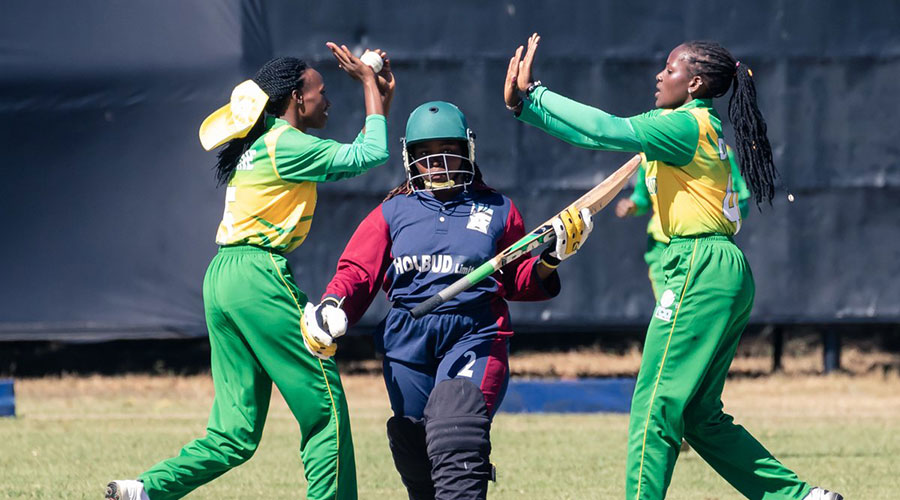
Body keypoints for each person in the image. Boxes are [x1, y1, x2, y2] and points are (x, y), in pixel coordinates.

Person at [504, 33, 843, 500]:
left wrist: (537, 92)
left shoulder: (683, 126)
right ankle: (800, 498)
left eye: (671, 68)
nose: (660, 74)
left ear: (696, 82)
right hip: (724, 268)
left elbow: (607, 129)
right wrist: (526, 109)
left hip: (698, 263)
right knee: (699, 417)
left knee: (655, 405)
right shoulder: (690, 122)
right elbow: (598, 135)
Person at [105, 44, 394, 500]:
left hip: (222, 276)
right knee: (325, 406)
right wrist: (367, 83)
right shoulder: (288, 143)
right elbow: (372, 153)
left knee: (234, 431)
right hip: (257, 274)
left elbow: (365, 148)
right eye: (320, 92)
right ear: (297, 99)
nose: (327, 100)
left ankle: (145, 490)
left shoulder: (261, 143)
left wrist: (378, 97)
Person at [309, 100, 593, 500]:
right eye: (426, 154)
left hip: (475, 332)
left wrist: (552, 258)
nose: (438, 162)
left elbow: (519, 281)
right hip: (408, 337)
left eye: (449, 149)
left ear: (468, 150)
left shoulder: (497, 208)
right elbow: (358, 271)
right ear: (410, 158)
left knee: (456, 423)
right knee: (414, 443)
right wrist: (333, 304)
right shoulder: (392, 211)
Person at [615, 150, 750, 300]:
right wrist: (633, 205)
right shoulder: (648, 156)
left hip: (700, 248)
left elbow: (741, 202)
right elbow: (642, 197)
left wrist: (712, 214)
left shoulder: (718, 151)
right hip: (661, 246)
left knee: (697, 309)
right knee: (667, 309)